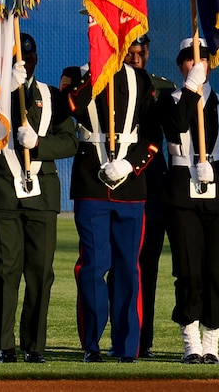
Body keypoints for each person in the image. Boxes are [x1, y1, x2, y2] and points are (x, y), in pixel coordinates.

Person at [0, 33, 78, 364]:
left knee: (41, 271)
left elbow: (69, 142)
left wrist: (40, 144)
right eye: (16, 59)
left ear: (36, 61)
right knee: (4, 270)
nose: (23, 64)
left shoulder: (50, 96)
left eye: (27, 60)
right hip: (0, 191)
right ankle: (5, 345)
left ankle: (35, 345)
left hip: (40, 195)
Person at [61, 54, 162, 363]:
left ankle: (127, 346)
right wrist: (95, 70)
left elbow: (152, 134)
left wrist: (131, 165)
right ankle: (91, 343)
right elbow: (70, 108)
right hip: (92, 183)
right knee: (93, 266)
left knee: (128, 269)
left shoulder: (141, 79)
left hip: (130, 187)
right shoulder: (76, 73)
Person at [158, 38, 219, 365]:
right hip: (181, 192)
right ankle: (191, 343)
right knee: (187, 270)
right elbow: (176, 126)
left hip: (218, 194)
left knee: (215, 272)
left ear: (209, 64)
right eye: (187, 60)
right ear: (180, 65)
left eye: (198, 60)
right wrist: (190, 88)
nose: (193, 64)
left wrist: (218, 169)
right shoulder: (168, 100)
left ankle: (212, 341)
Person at [121, 33, 175, 358]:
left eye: (141, 53)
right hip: (119, 183)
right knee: (120, 265)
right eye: (131, 53)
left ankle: (143, 340)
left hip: (153, 186)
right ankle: (121, 337)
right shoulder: (113, 84)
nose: (137, 59)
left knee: (147, 267)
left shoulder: (163, 87)